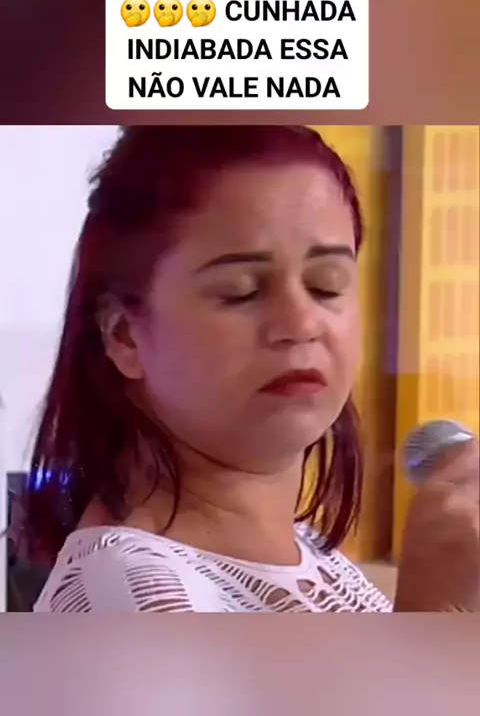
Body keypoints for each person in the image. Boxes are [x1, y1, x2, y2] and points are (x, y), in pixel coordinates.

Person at [23, 126, 478, 612]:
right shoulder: (126, 592)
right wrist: (439, 616)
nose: (302, 324)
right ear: (123, 335)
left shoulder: (312, 556)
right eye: (241, 291)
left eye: (326, 285)